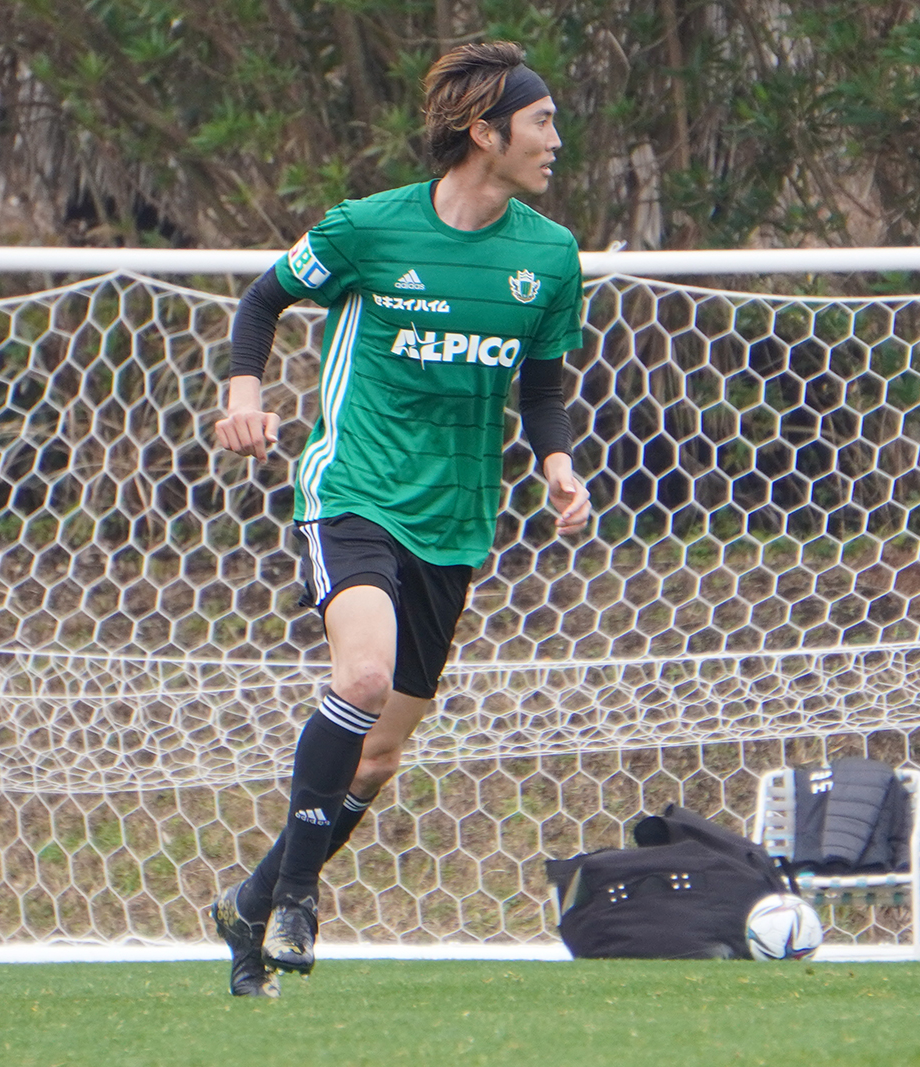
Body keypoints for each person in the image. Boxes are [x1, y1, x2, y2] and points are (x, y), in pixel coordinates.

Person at [210, 40, 589, 997]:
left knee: (377, 757)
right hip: (354, 490)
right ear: (484, 132)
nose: (555, 139)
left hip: (456, 520)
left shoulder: (549, 256)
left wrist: (557, 462)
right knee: (365, 675)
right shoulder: (368, 230)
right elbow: (263, 301)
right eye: (541, 122)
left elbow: (542, 387)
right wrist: (243, 392)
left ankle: (250, 902)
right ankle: (297, 895)